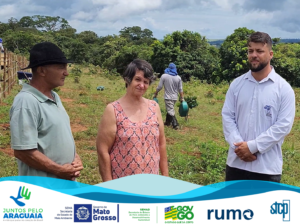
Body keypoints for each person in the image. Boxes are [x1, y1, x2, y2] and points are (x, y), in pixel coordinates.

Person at [222, 32, 295, 183]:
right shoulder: (237, 84)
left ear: (270, 54)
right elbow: (227, 116)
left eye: (259, 51)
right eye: (250, 51)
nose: (254, 55)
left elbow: (283, 126)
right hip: (236, 165)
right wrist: (239, 148)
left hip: (266, 169)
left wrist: (253, 147)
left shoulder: (283, 89)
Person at [10, 42, 83, 180]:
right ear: (42, 71)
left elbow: (57, 136)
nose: (66, 73)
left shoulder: (54, 96)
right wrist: (58, 170)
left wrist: (75, 157)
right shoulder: (26, 102)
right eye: (61, 67)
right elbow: (23, 152)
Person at [97, 59, 169, 181]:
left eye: (146, 82)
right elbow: (103, 151)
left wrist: (166, 178)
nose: (142, 85)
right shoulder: (113, 110)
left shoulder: (154, 107)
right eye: (138, 79)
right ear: (127, 79)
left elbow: (161, 144)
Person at [153, 63, 184, 130]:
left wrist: (155, 93)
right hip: (175, 97)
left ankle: (175, 124)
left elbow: (160, 87)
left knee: (170, 110)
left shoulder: (164, 76)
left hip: (168, 97)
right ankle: (167, 122)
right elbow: (180, 89)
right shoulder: (178, 77)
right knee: (170, 109)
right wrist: (182, 98)